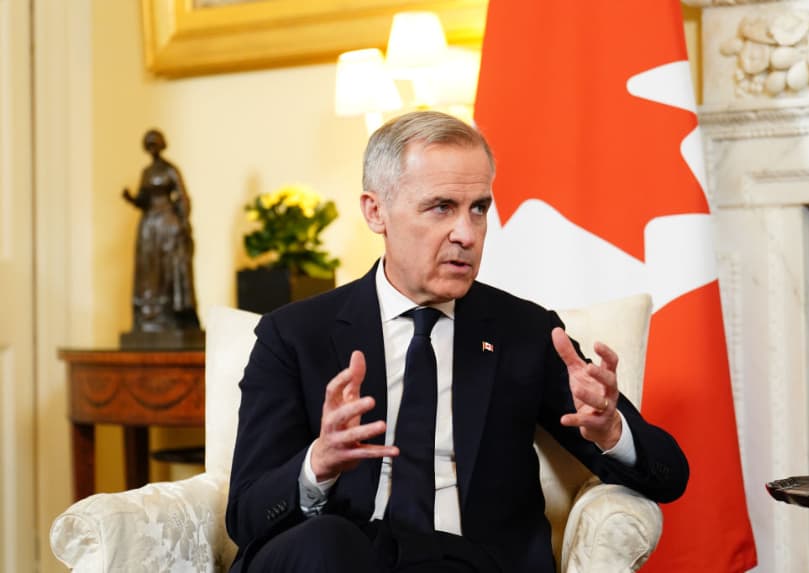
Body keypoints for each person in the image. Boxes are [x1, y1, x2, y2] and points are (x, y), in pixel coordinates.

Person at [226, 111, 688, 573]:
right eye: (441, 207)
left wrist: (611, 431)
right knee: (326, 542)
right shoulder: (294, 335)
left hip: (466, 562)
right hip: (339, 556)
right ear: (375, 211)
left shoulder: (523, 331)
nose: (466, 234)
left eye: (479, 209)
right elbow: (245, 516)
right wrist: (317, 465)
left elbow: (671, 476)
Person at [122, 128, 200, 333]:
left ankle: (172, 313)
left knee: (168, 269)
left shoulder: (169, 170)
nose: (152, 148)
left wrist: (183, 222)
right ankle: (149, 313)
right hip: (149, 225)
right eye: (149, 144)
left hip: (167, 222)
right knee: (149, 269)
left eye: (155, 143)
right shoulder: (146, 172)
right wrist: (131, 198)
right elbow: (143, 199)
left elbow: (183, 197)